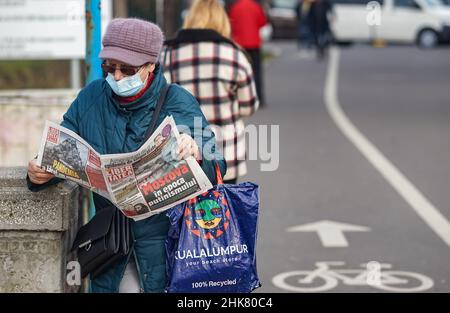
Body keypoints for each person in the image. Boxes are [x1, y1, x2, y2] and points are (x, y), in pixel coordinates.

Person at [26, 18, 226, 293]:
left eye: (127, 69)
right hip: (111, 246)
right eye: (109, 67)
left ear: (150, 66)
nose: (117, 77)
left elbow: (217, 162)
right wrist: (38, 173)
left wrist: (196, 152)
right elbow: (62, 147)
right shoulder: (92, 97)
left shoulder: (177, 100)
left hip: (167, 248)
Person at [162, 0, 259, 184]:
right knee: (222, 209)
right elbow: (249, 106)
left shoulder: (167, 53)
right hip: (225, 152)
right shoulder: (234, 54)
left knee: (184, 212)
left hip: (181, 154)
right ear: (222, 21)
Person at [228, 0, 267, 107]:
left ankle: (241, 99)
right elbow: (262, 22)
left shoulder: (235, 7)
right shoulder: (255, 6)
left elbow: (231, 24)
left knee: (240, 73)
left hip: (240, 44)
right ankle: (259, 97)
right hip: (254, 43)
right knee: (256, 72)